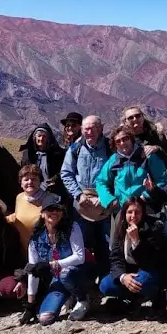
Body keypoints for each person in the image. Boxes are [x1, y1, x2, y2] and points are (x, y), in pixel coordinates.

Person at [22, 193, 89, 325]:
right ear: (42, 213)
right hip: (57, 279)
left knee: (65, 273)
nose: (54, 212)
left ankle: (82, 299)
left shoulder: (72, 227)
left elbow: (80, 257)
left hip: (78, 272)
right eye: (50, 209)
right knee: (45, 319)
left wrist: (52, 264)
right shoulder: (36, 238)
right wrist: (30, 304)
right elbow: (33, 271)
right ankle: (67, 296)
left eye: (58, 209)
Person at [60, 115, 113, 278]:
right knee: (81, 245)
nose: (89, 132)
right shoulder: (75, 149)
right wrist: (78, 194)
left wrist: (106, 198)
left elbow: (118, 175)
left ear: (101, 128)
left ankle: (106, 283)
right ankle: (84, 282)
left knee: (107, 245)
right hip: (81, 206)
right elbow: (66, 173)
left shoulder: (111, 148)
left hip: (106, 205)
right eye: (86, 129)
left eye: (93, 128)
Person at [99, 196, 167, 311]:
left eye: (137, 212)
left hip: (148, 271)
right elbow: (115, 258)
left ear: (143, 213)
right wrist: (123, 277)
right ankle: (128, 298)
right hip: (128, 271)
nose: (133, 216)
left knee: (141, 281)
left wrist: (136, 241)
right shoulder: (120, 227)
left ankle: (150, 296)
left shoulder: (153, 227)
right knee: (105, 285)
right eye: (130, 212)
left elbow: (150, 262)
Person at [95, 126, 167, 211]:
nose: (122, 143)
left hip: (147, 208)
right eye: (118, 141)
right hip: (123, 210)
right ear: (115, 145)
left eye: (125, 138)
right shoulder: (113, 160)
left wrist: (145, 196)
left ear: (131, 139)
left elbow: (162, 180)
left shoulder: (147, 156)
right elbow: (101, 181)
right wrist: (109, 200)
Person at [8, 164, 51, 250]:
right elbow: (18, 216)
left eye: (34, 179)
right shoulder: (19, 197)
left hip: (44, 250)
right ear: (21, 183)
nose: (30, 182)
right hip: (23, 248)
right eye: (26, 179)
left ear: (40, 181)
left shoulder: (50, 199)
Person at [19, 123, 67, 198]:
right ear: (34, 137)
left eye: (44, 136)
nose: (41, 139)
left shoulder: (58, 154)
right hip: (32, 191)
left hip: (53, 191)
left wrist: (55, 179)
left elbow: (64, 170)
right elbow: (23, 172)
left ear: (48, 138)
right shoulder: (27, 154)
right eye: (39, 136)